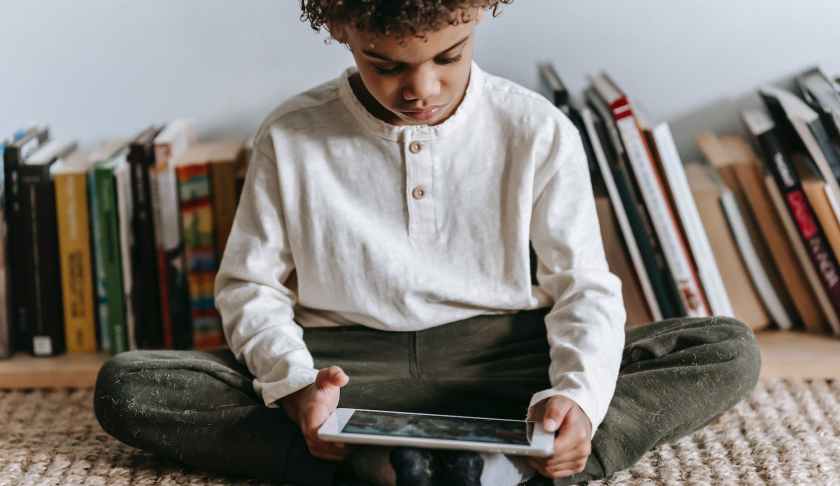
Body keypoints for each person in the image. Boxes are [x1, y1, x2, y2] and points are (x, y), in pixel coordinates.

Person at [93, 1, 761, 485]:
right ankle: (408, 459)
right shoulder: (292, 135)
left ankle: (501, 459)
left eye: (449, 56)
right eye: (384, 65)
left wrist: (578, 397)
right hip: (348, 368)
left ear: (479, 16)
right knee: (129, 386)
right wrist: (297, 385)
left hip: (502, 358)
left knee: (725, 350)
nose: (421, 89)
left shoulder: (537, 130)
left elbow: (581, 285)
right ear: (340, 31)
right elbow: (249, 286)